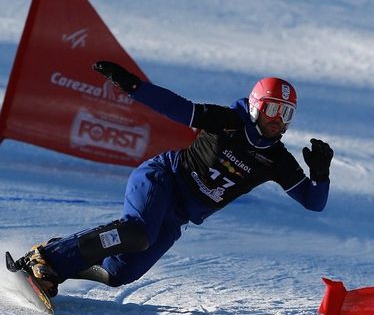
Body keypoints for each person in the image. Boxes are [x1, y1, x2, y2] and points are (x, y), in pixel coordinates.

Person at [16, 61, 333, 297]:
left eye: (286, 113)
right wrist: (134, 86)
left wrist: (320, 174)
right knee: (136, 232)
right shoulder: (228, 122)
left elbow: (312, 202)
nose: (278, 121)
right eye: (273, 109)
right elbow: (179, 109)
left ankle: (57, 264)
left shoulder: (277, 160)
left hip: (178, 215)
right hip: (160, 179)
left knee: (118, 274)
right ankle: (44, 259)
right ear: (255, 106)